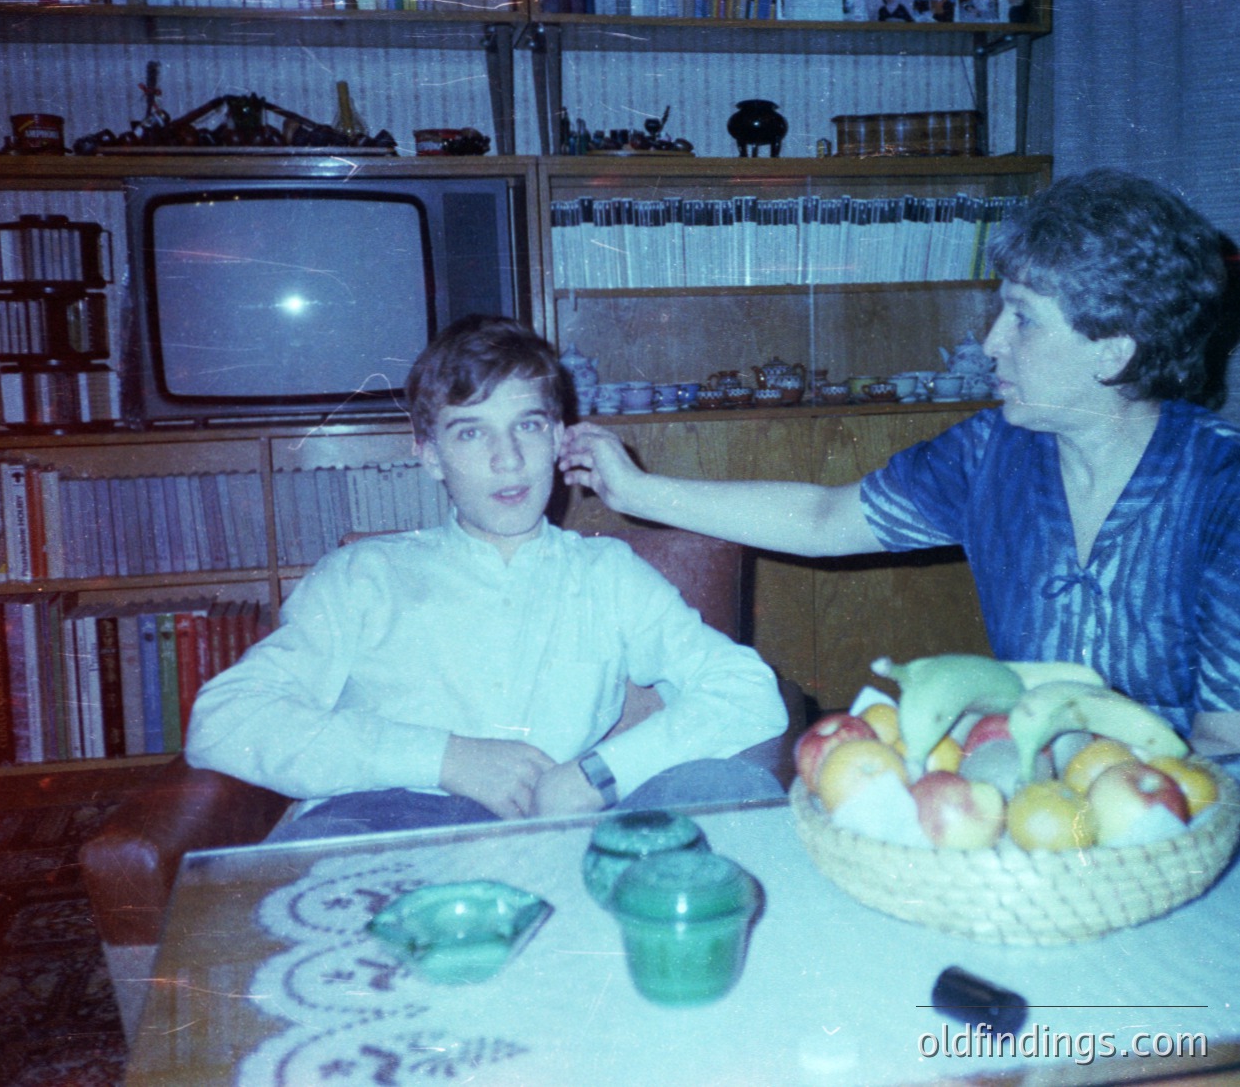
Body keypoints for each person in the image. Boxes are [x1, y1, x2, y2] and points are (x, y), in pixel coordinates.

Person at [560, 169, 1240, 752]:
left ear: (1111, 350)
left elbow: (1226, 741)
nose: (991, 341)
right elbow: (826, 517)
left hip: (1182, 829)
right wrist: (636, 489)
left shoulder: (1223, 487)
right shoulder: (990, 452)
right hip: (1028, 791)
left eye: (1023, 318)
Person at [186, 315, 787, 841]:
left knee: (724, 785)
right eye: (471, 432)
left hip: (556, 837)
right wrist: (445, 759)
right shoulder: (363, 576)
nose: (508, 459)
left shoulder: (604, 574)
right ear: (428, 454)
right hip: (393, 827)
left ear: (557, 438)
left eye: (526, 426)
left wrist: (596, 777)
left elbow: (746, 691)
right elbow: (224, 720)